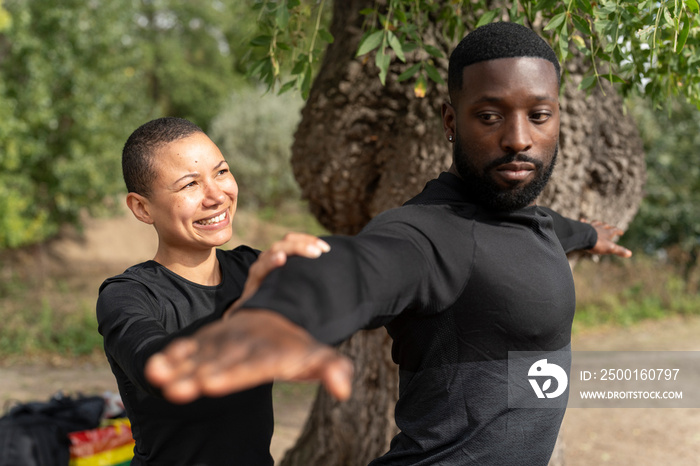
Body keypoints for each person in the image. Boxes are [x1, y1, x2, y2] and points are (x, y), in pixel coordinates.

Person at [146, 23, 633, 465]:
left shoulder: (531, 220)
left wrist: (592, 235)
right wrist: (282, 312)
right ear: (450, 121)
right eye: (489, 116)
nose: (518, 139)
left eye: (539, 114)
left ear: (558, 120)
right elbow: (362, 267)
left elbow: (551, 227)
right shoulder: (429, 235)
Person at [96, 117, 331, 465]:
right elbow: (160, 368)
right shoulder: (128, 296)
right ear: (142, 208)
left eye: (221, 172)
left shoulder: (254, 269)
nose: (217, 195)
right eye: (190, 184)